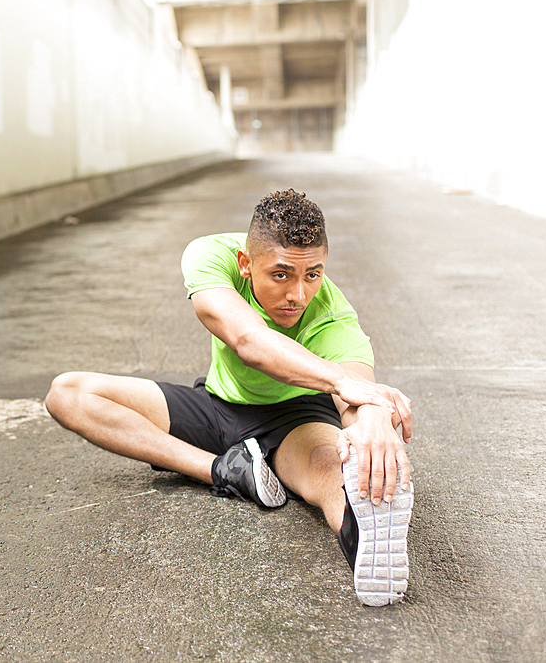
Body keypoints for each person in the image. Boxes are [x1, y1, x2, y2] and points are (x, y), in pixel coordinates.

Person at [45, 189, 414, 606]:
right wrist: (341, 382)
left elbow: (358, 392)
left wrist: (372, 420)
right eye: (281, 275)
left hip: (293, 420)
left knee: (331, 467)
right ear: (246, 264)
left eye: (313, 274)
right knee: (68, 393)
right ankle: (227, 470)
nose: (298, 294)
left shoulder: (333, 316)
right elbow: (247, 339)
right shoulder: (211, 255)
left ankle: (365, 531)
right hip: (215, 405)